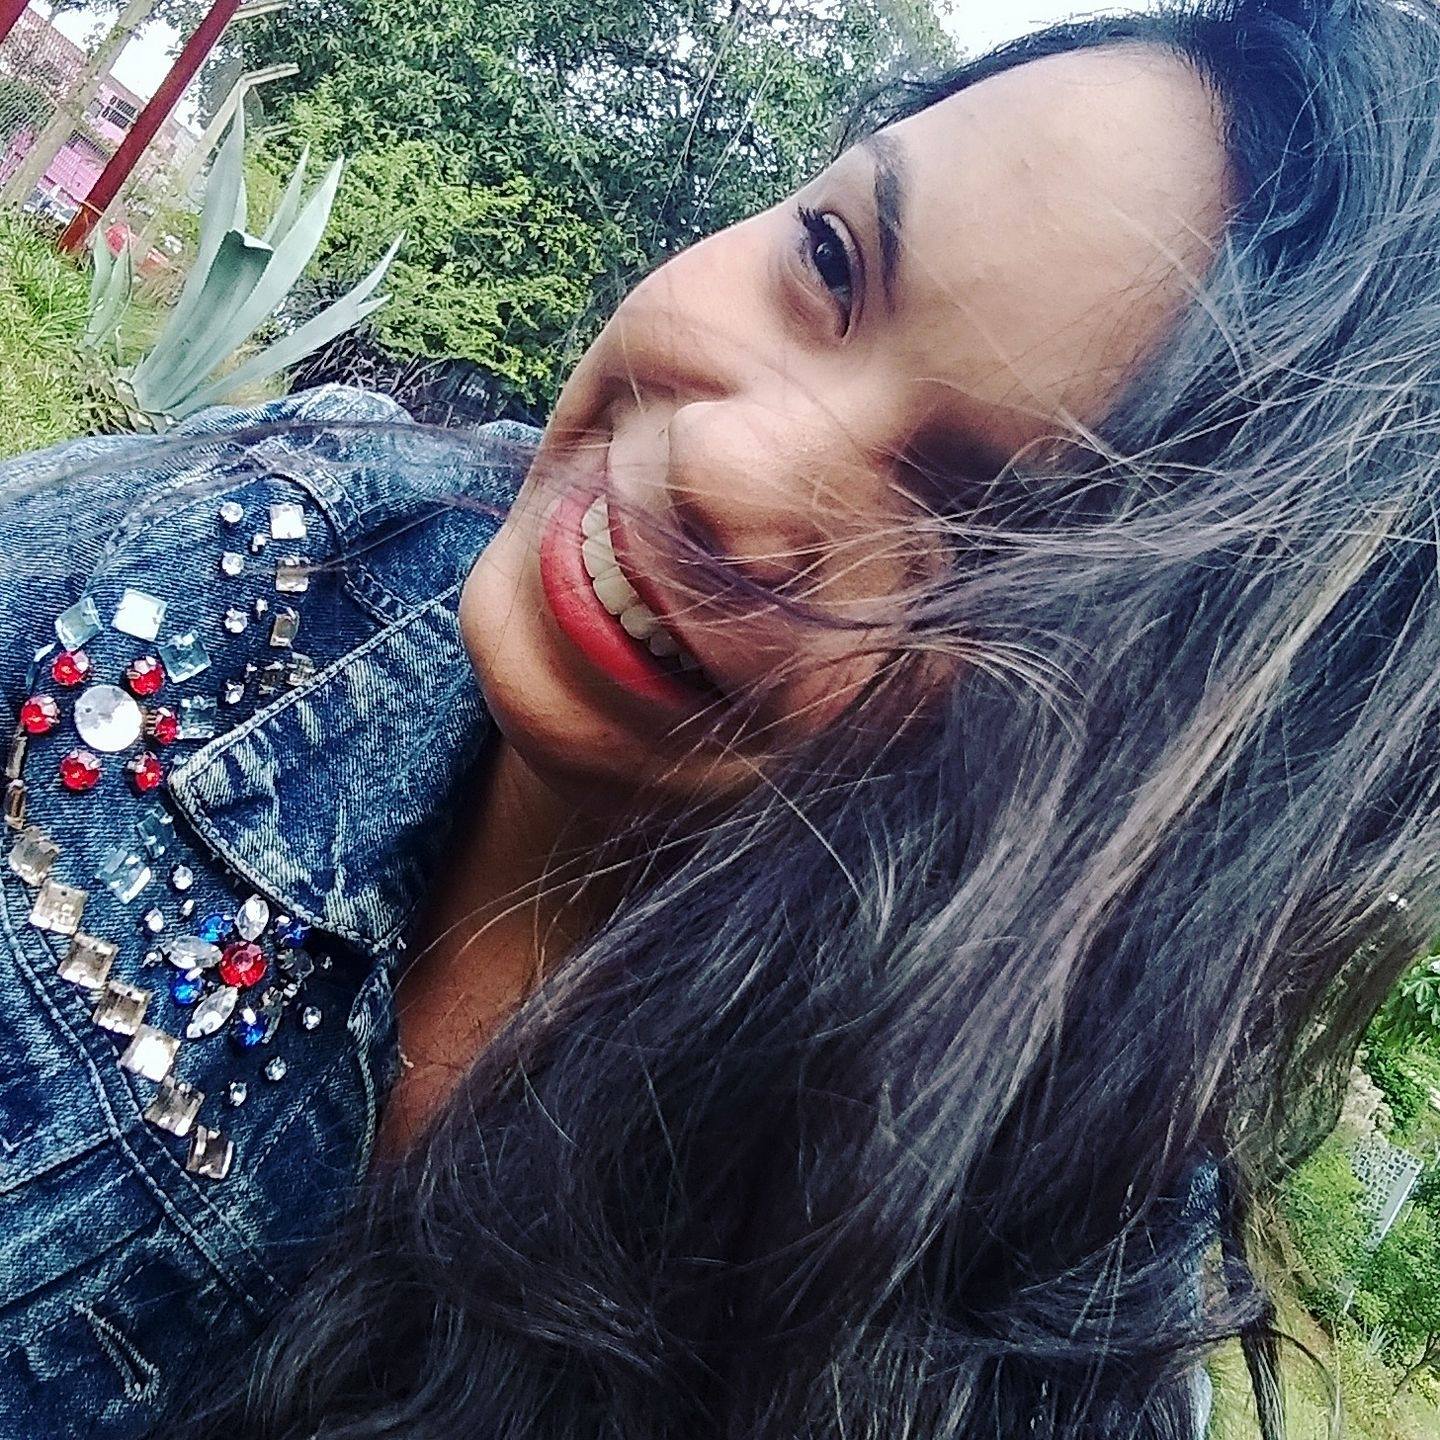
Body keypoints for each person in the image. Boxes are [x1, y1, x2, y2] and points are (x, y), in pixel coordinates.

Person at [0, 0, 1432, 1434]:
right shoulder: (235, 556)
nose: (722, 466)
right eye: (833, 261)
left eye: (983, 539)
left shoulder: (1011, 1359)